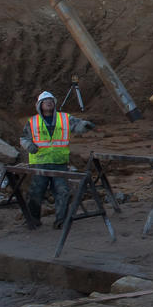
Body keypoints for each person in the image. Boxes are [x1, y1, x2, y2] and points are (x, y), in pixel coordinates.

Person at [19, 90, 94, 227]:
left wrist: (85, 125)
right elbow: (24, 138)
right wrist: (29, 145)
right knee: (36, 192)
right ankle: (33, 220)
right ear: (39, 105)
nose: (49, 103)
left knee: (62, 192)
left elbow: (77, 125)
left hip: (59, 162)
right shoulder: (33, 121)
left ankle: (61, 221)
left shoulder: (64, 118)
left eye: (51, 101)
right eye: (46, 101)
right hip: (40, 162)